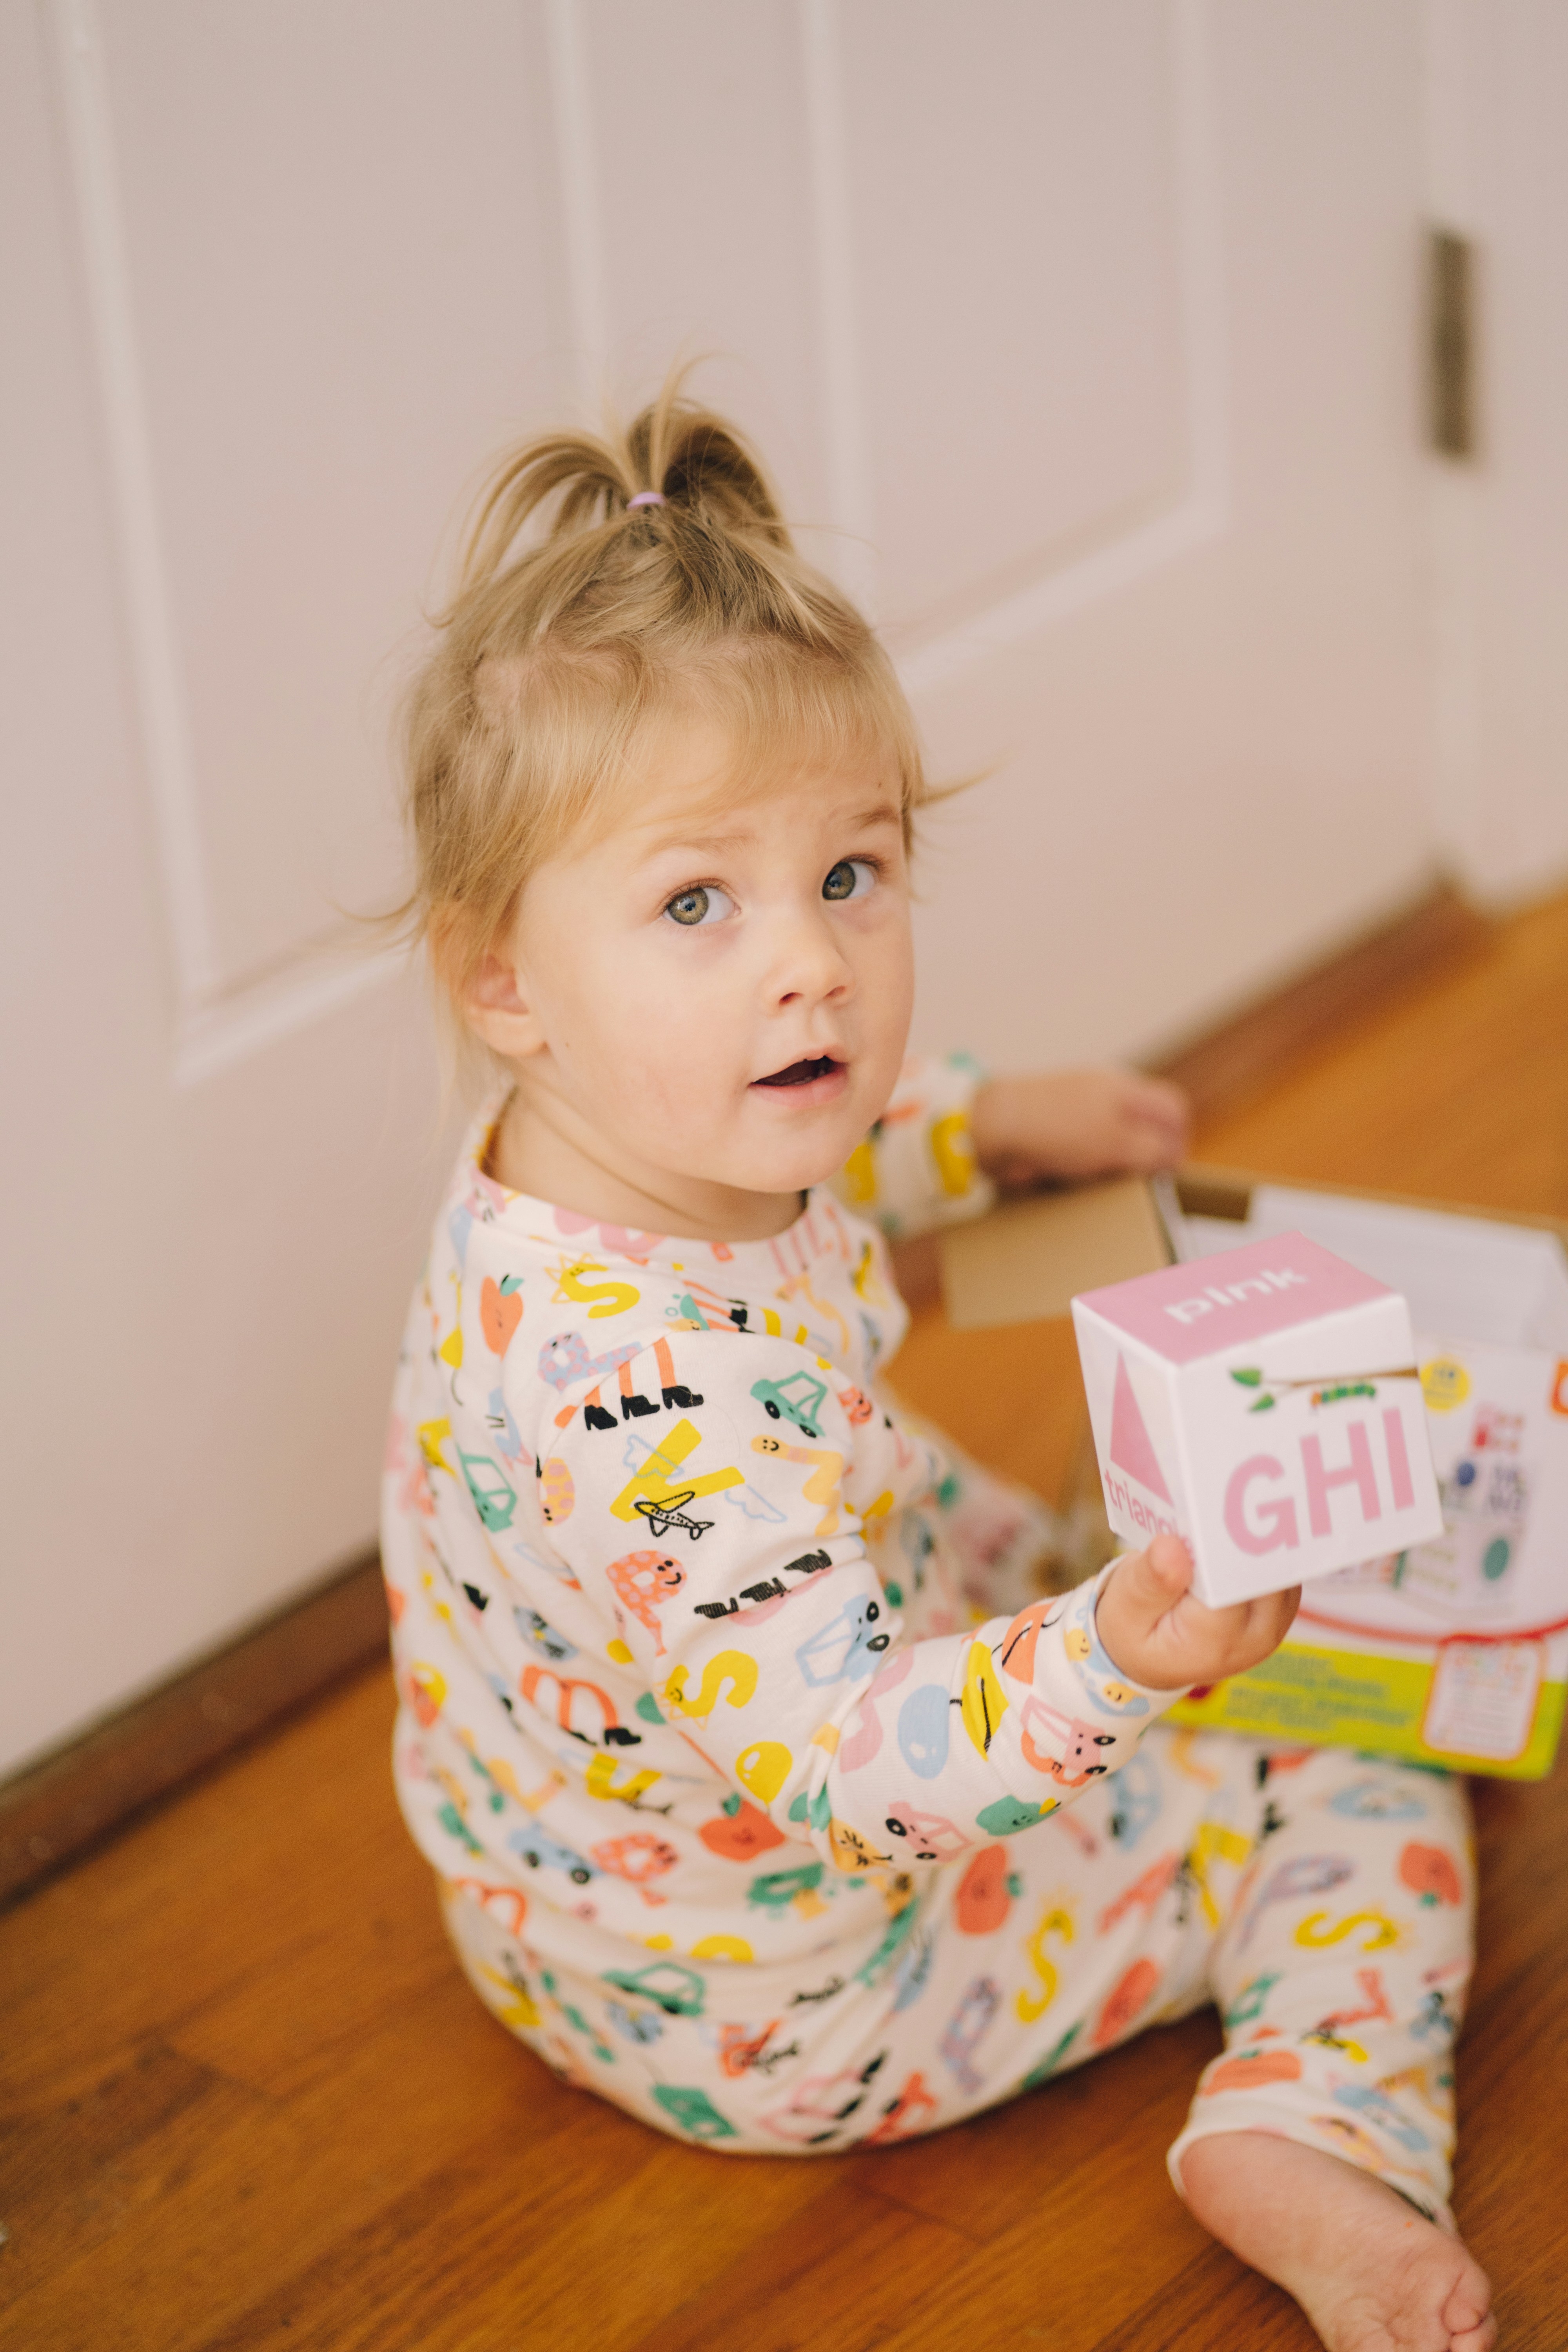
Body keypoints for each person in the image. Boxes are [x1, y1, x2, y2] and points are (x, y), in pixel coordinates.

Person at [381, 375, 1493, 2352]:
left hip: (568, 1891)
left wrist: (995, 1124)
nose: (807, 964)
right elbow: (847, 1777)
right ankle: (1315, 2123)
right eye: (697, 902)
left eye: (851, 874)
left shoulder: (607, 1153)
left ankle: (1121, 1641)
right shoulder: (659, 1419)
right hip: (800, 1982)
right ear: (501, 976)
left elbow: (829, 1147)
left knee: (1081, 1527)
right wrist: (1122, 1664)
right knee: (1365, 1751)